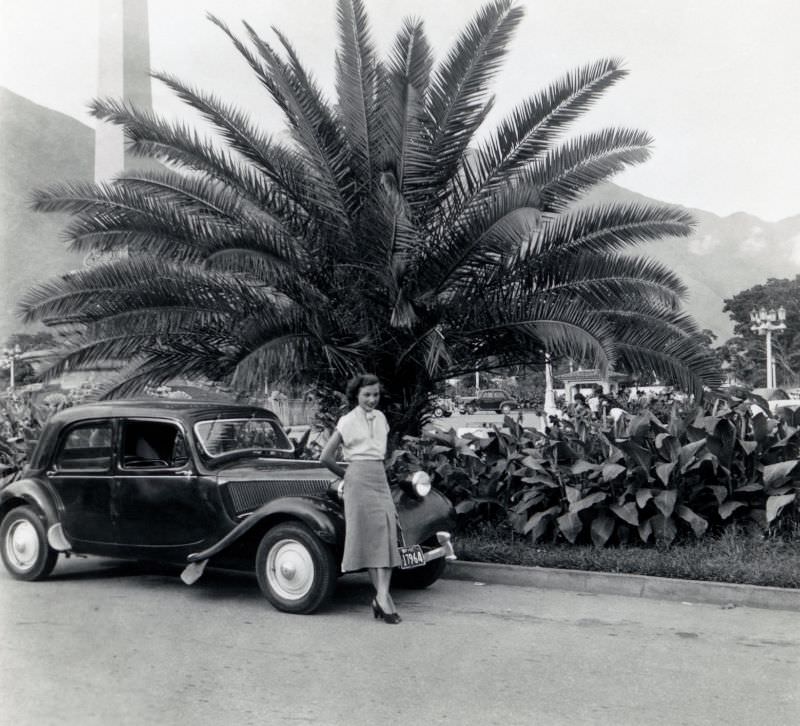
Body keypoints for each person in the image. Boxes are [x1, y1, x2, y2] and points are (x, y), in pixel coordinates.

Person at [319, 373, 402, 624]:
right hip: (358, 480)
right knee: (371, 539)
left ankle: (381, 596)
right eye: (366, 395)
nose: (372, 399)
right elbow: (325, 457)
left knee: (385, 535)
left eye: (375, 394)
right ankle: (383, 600)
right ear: (356, 395)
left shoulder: (382, 418)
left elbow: (382, 453)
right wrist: (348, 476)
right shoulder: (346, 421)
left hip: (379, 478)